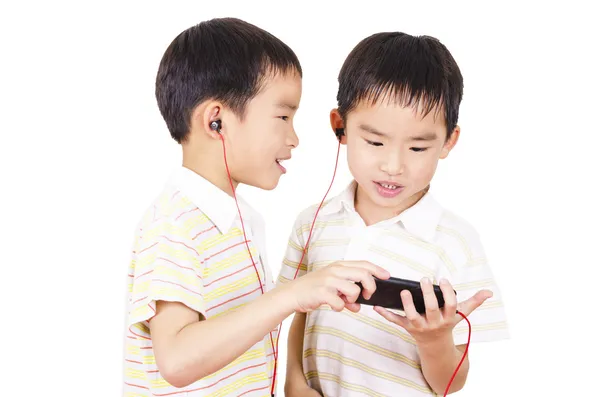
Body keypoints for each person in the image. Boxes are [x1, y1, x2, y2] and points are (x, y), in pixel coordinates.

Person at [123, 18, 389, 397]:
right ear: (216, 122)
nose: (294, 138)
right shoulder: (174, 223)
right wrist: (291, 295)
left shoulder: (239, 219)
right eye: (283, 116)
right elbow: (177, 360)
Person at [279, 32, 509, 396]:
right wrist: (293, 380)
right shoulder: (313, 222)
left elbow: (451, 383)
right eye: (374, 142)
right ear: (340, 126)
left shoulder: (455, 242)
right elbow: (298, 312)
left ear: (449, 141)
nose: (393, 165)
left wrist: (435, 340)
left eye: (418, 147)